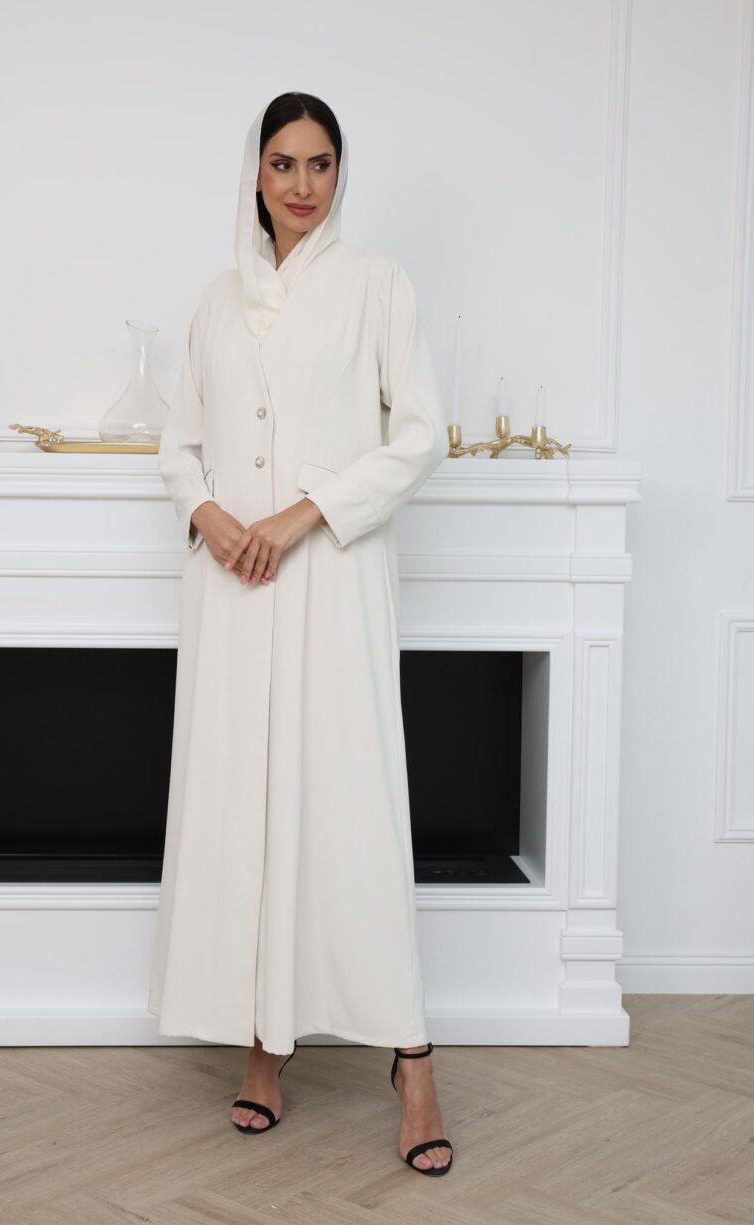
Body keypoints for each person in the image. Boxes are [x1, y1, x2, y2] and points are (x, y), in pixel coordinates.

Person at [148, 91, 453, 1175]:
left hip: (330, 580)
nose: (301, 184)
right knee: (244, 812)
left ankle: (411, 1058)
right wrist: (210, 513)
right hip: (233, 589)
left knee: (352, 808)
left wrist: (303, 511)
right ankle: (262, 1045)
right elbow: (177, 444)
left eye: (320, 164)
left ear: (338, 174)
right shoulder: (214, 301)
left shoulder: (377, 286)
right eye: (283, 163)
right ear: (256, 174)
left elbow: (421, 436)